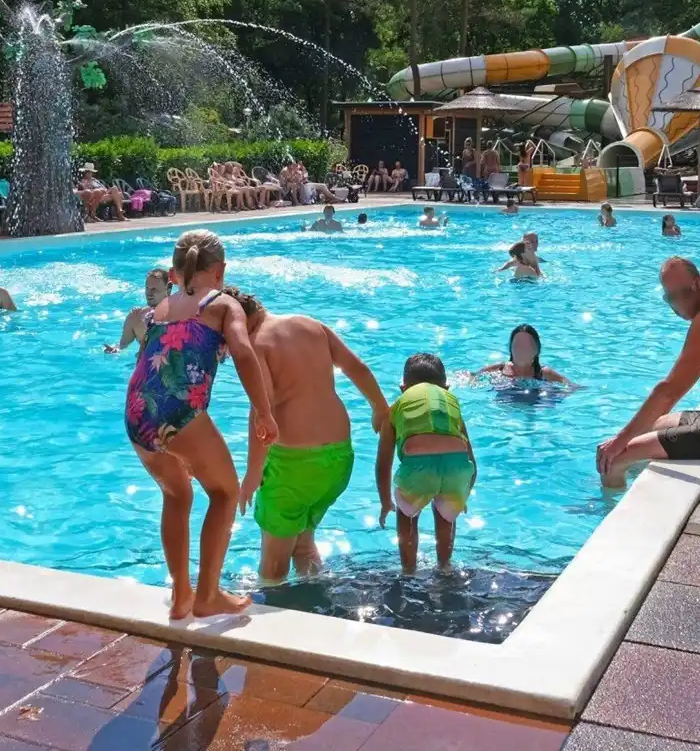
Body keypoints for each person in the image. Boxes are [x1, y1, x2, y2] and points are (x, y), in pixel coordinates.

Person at [124, 230, 278, 618]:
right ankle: (208, 595)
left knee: (177, 496)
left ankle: (181, 596)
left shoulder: (160, 308)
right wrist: (264, 412)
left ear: (174, 274)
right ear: (220, 271)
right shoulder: (223, 303)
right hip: (179, 411)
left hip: (136, 411)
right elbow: (244, 353)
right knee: (224, 493)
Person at [232, 288, 389, 582]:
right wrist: (379, 408)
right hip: (338, 460)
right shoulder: (310, 324)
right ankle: (317, 601)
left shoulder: (255, 345)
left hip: (294, 468)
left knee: (273, 564)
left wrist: (252, 475)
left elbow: (260, 414)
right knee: (303, 545)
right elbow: (358, 367)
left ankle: (268, 617)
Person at [596, 258, 700, 487]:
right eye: (670, 297)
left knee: (615, 458)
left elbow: (669, 391)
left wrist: (620, 441)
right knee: (652, 427)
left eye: (684, 293)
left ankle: (608, 508)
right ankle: (641, 481)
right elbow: (680, 384)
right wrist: (641, 437)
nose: (679, 304)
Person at [377, 353, 477, 573]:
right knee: (445, 515)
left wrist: (386, 502)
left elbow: (384, 463)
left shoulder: (395, 408)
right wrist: (464, 491)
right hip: (456, 469)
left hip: (417, 468)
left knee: (407, 514)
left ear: (403, 388)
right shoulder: (450, 405)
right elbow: (470, 457)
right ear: (446, 388)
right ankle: (444, 566)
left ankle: (409, 571)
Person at [478, 324, 571, 385]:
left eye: (527, 345)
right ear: (511, 348)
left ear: (537, 350)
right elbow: (471, 379)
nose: (522, 349)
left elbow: (571, 387)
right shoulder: (497, 369)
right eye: (518, 344)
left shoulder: (544, 373)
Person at [106, 269, 172, 353]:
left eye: (154, 290)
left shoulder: (179, 315)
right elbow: (123, 344)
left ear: (168, 289)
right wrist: (115, 349)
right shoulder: (135, 317)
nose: (149, 293)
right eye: (147, 288)